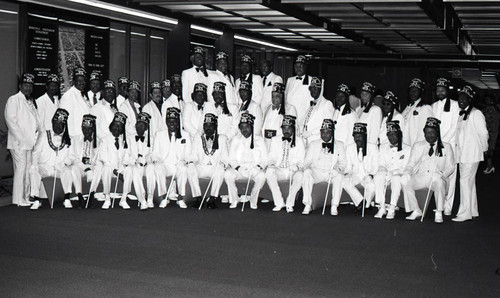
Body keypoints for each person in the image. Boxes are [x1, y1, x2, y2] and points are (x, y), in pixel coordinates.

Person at [401, 117, 455, 223]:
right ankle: (416, 209)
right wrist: (406, 172)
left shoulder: (446, 146)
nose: (429, 135)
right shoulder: (418, 145)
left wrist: (441, 174)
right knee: (404, 180)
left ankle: (439, 211)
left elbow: (451, 166)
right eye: (426, 133)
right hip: (421, 176)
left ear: (437, 133)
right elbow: (411, 163)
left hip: (437, 177)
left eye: (432, 132)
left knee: (438, 181)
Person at [29, 109, 82, 210]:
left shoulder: (68, 138)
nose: (58, 126)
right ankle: (36, 199)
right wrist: (34, 164)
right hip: (44, 166)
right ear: (52, 123)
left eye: (61, 124)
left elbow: (72, 156)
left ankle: (67, 198)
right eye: (56, 123)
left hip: (59, 168)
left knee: (68, 170)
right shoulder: (44, 135)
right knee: (33, 170)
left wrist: (63, 164)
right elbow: (35, 153)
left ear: (64, 125)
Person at [5, 72, 41, 206]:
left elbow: (36, 121)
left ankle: (25, 197)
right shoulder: (14, 99)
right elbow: (11, 121)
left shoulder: (30, 101)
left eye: (30, 86)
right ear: (20, 86)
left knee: (26, 170)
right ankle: (18, 199)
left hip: (30, 143)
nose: (28, 88)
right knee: (20, 170)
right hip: (18, 143)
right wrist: (21, 139)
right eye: (25, 85)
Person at [453, 86, 489, 222]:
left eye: (464, 98)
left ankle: (464, 213)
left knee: (464, 182)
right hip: (463, 155)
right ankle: (473, 210)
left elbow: (484, 133)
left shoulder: (476, 113)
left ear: (470, 99)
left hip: (471, 154)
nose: (461, 100)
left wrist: (484, 149)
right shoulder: (462, 114)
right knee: (469, 182)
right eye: (459, 98)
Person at [149, 107, 192, 209]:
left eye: (174, 122)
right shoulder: (159, 135)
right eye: (169, 122)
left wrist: (184, 161)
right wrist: (156, 161)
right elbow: (155, 153)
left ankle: (180, 198)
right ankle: (164, 197)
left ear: (178, 123)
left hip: (178, 165)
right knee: (158, 168)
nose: (172, 124)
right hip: (165, 165)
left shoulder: (185, 135)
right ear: (166, 122)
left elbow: (188, 153)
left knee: (183, 168)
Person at [302, 119, 346, 215]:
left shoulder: (340, 145)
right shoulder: (313, 144)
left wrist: (337, 169)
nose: (325, 135)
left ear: (332, 133)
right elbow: (306, 162)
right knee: (306, 173)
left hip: (331, 173)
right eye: (323, 132)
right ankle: (308, 204)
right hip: (317, 172)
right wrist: (308, 168)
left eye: (328, 133)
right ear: (320, 132)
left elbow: (343, 163)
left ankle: (334, 205)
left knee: (339, 176)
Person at [88, 112, 131, 209]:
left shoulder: (125, 141)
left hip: (120, 168)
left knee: (129, 170)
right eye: (115, 125)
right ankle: (107, 198)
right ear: (111, 126)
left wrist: (122, 168)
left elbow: (127, 157)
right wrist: (115, 171)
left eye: (120, 127)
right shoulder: (104, 140)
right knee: (106, 169)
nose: (117, 128)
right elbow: (104, 158)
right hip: (110, 168)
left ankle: (123, 199)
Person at [225, 112, 267, 209]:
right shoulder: (235, 140)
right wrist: (239, 168)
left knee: (262, 176)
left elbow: (265, 159)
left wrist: (257, 168)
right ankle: (234, 199)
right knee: (227, 174)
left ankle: (253, 200)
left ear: (251, 126)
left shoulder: (259, 140)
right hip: (240, 169)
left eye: (247, 126)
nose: (244, 129)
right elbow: (231, 159)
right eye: (242, 127)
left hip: (254, 169)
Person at [431, 78, 460, 215]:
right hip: (437, 145)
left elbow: (455, 126)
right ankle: (440, 205)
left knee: (451, 177)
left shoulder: (455, 105)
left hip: (450, 146)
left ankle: (448, 205)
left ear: (447, 91)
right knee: (438, 175)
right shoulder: (434, 106)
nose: (440, 92)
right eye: (438, 91)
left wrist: (443, 142)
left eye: (443, 90)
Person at [188, 113, 229, 209]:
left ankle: (212, 199)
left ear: (215, 126)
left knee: (220, 168)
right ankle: (197, 198)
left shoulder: (222, 138)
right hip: (202, 167)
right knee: (190, 167)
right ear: (203, 127)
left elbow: (226, 158)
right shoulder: (198, 138)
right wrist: (192, 162)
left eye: (211, 125)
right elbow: (194, 155)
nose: (208, 128)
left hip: (214, 168)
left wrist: (222, 164)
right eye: (206, 125)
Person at [266, 115, 305, 212]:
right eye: (284, 128)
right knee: (269, 171)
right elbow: (271, 157)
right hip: (280, 170)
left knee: (300, 175)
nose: (286, 131)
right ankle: (279, 202)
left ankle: (290, 203)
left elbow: (302, 160)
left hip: (292, 171)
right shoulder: (275, 140)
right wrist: (272, 163)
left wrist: (296, 166)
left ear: (293, 129)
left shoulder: (300, 141)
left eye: (289, 128)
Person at [373, 120, 410, 219]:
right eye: (389, 135)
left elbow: (405, 166)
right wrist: (383, 170)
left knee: (396, 178)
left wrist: (394, 172)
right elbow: (380, 163)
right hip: (387, 173)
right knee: (379, 176)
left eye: (394, 134)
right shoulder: (383, 147)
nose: (392, 137)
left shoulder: (407, 149)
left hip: (399, 175)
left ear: (399, 134)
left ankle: (392, 207)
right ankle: (381, 206)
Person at [120, 112, 153, 210]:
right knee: (133, 170)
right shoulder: (129, 139)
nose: (140, 128)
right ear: (135, 126)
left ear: (146, 128)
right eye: (139, 125)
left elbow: (152, 154)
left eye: (143, 126)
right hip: (132, 165)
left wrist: (145, 160)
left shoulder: (151, 139)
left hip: (145, 165)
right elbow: (125, 158)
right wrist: (135, 160)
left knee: (151, 168)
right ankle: (142, 199)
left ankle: (149, 198)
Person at [343, 123, 379, 212]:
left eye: (360, 136)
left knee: (372, 185)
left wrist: (371, 175)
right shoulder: (349, 148)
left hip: (368, 175)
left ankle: (365, 206)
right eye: (355, 136)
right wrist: (347, 173)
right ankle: (361, 202)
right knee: (343, 180)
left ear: (365, 136)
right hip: (356, 174)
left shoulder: (373, 147)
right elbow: (348, 166)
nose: (357, 138)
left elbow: (376, 165)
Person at [60, 67, 93, 144]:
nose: (82, 83)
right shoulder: (68, 95)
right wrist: (70, 138)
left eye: (83, 80)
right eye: (79, 80)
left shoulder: (83, 95)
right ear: (74, 81)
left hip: (84, 136)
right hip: (74, 138)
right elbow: (66, 120)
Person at [73, 114, 98, 207]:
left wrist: (90, 168)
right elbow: (75, 158)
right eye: (84, 128)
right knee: (74, 168)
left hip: (93, 168)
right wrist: (85, 169)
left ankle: (91, 195)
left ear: (93, 130)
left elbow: (97, 160)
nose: (86, 131)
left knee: (99, 168)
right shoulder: (76, 140)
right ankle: (79, 195)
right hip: (81, 167)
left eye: (89, 129)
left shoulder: (98, 142)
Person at [262, 82, 297, 148]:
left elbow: (294, 130)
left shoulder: (290, 109)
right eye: (273, 96)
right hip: (266, 144)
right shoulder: (268, 108)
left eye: (277, 96)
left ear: (283, 96)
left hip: (281, 145)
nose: (274, 99)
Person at [300, 77, 334, 146]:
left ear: (321, 89)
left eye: (316, 88)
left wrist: (310, 133)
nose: (313, 91)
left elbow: (328, 125)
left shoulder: (327, 104)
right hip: (306, 142)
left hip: (317, 141)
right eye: (311, 88)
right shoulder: (312, 104)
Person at [402, 78, 434, 146]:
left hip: (415, 145)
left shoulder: (425, 107)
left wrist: (417, 147)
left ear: (421, 92)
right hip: (405, 145)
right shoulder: (408, 107)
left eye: (415, 91)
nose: (412, 93)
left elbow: (424, 132)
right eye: (411, 90)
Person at [285, 55, 312, 128]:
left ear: (305, 67)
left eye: (301, 66)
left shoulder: (311, 80)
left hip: (303, 117)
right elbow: (286, 98)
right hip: (289, 116)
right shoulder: (290, 80)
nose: (298, 68)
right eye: (296, 66)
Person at [481, 94, 500, 174]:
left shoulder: (490, 109)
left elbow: (487, 121)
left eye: (487, 99)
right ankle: (489, 166)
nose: (486, 101)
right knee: (489, 150)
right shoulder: (496, 108)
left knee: (488, 150)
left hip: (490, 132)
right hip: (493, 132)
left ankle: (490, 166)